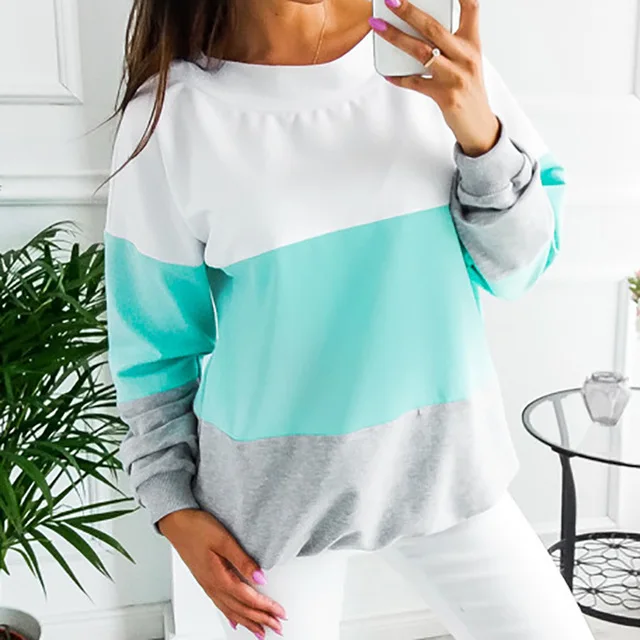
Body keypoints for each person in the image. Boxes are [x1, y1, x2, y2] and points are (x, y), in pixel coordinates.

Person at [104, 1, 594, 638]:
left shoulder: (427, 54)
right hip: (263, 513)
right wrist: (170, 506)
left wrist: (483, 136)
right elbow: (153, 348)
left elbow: (521, 266)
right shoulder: (172, 116)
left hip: (448, 469)